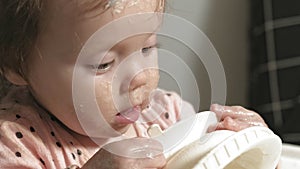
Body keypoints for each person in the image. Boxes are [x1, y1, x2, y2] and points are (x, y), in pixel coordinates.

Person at [0, 0, 268, 168]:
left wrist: (254, 146)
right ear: (16, 64)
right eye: (103, 63)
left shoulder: (168, 115)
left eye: (148, 47)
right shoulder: (16, 142)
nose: (140, 77)